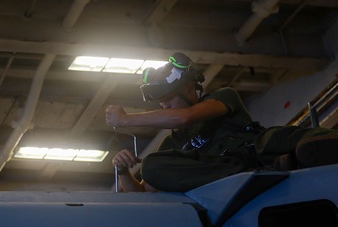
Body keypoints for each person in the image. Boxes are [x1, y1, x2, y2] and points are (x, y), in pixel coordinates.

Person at [107, 52, 338, 193]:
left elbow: (185, 117)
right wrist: (123, 171)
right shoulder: (172, 144)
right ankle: (253, 174)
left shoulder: (223, 96)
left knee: (283, 136)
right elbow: (144, 192)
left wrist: (125, 120)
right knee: (152, 165)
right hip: (226, 175)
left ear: (189, 87)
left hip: (258, 149)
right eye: (160, 101)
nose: (164, 105)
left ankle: (317, 149)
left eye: (168, 97)